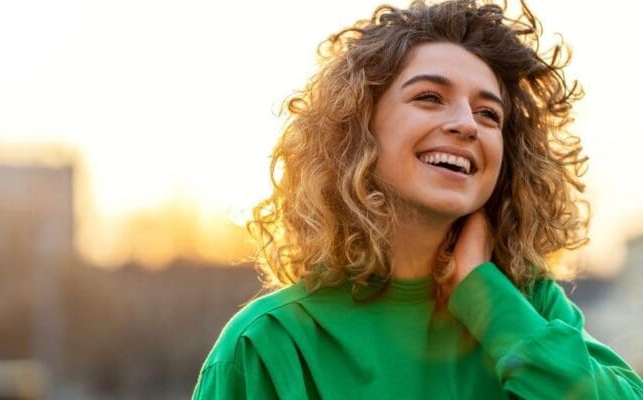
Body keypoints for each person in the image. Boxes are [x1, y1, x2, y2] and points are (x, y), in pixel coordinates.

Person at [193, 0, 643, 398]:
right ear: (357, 129)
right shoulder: (268, 345)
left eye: (489, 114)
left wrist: (486, 300)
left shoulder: (531, 308)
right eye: (430, 97)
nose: (467, 124)